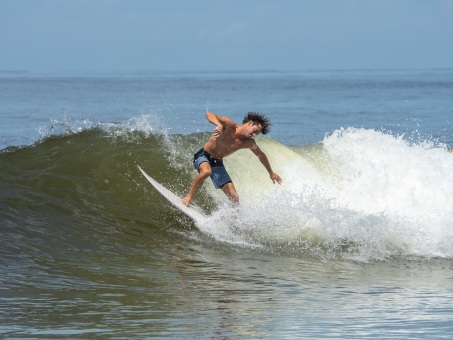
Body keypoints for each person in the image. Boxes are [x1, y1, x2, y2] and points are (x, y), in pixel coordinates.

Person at [182, 111, 282, 206]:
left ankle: (234, 221)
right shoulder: (229, 125)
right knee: (206, 172)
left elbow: (261, 155)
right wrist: (219, 124)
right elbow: (209, 114)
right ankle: (188, 197)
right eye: (255, 131)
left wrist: (271, 172)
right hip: (203, 155)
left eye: (257, 134)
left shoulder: (249, 143)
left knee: (234, 197)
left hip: (217, 162)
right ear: (250, 123)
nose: (254, 135)